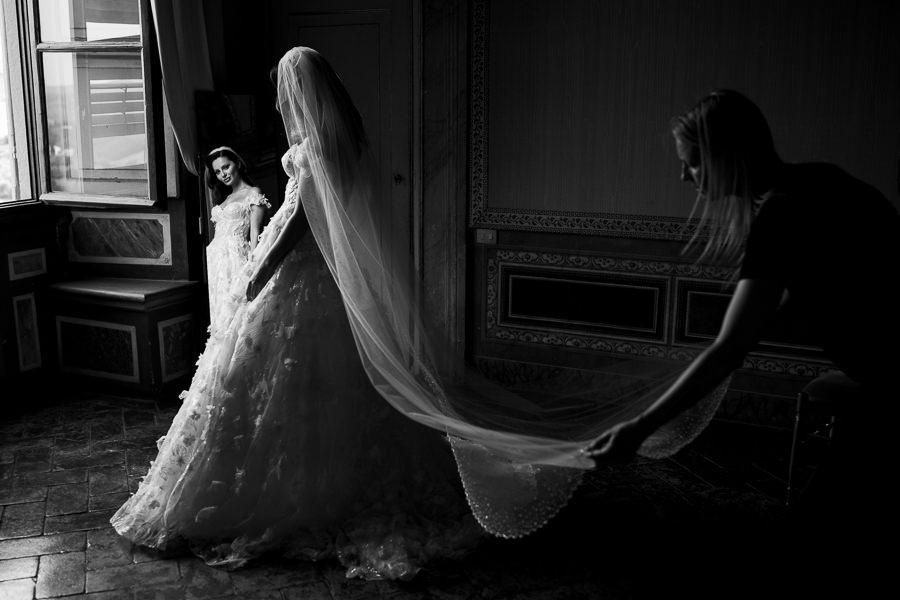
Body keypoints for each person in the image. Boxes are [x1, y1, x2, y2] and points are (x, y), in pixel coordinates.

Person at [110, 48, 482, 579]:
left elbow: (299, 221)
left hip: (299, 273)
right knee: (322, 386)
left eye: (286, 92)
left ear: (299, 92)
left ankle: (285, 497)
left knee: (265, 380)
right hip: (329, 278)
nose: (283, 103)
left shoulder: (311, 150)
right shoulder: (344, 139)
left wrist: (260, 272)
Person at [587, 89, 900, 583]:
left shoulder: (780, 214)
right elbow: (829, 283)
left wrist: (640, 427)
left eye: (691, 163)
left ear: (722, 154)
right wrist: (745, 333)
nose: (683, 176)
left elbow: (732, 348)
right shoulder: (818, 181)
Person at [202, 146, 270, 334]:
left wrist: (253, 267)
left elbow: (255, 233)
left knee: (236, 315)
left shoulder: (252, 192)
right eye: (217, 171)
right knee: (219, 314)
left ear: (237, 163)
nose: (222, 174)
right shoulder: (224, 198)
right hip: (217, 262)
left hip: (236, 257)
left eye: (226, 167)